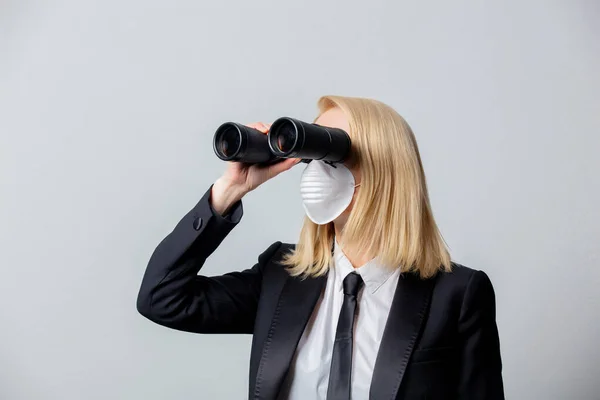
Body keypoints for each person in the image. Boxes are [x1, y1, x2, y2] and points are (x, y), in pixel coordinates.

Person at [136, 95, 505, 400]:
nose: (317, 171)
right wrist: (230, 190)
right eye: (312, 158)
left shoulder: (456, 295)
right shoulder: (282, 275)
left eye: (332, 154)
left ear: (386, 169)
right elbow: (162, 298)